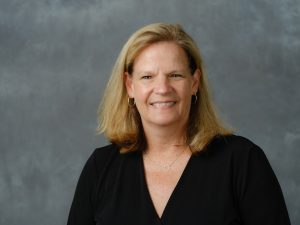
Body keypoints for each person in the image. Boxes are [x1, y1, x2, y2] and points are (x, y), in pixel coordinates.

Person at [67, 23, 291, 225]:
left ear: (194, 83)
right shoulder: (101, 167)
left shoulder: (242, 161)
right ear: (130, 86)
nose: (163, 88)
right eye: (147, 77)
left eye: (175, 75)